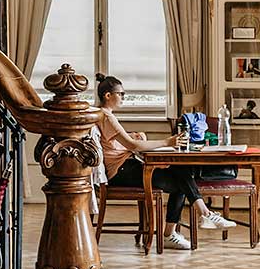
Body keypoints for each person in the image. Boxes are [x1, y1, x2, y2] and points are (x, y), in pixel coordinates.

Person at [95, 73, 236, 251]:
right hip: (121, 171)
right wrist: (167, 142)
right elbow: (133, 146)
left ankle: (189, 223)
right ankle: (193, 221)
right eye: (121, 94)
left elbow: (114, 142)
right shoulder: (107, 117)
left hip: (125, 166)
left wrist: (134, 136)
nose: (124, 97)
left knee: (181, 174)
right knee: (182, 178)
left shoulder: (102, 115)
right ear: (108, 95)